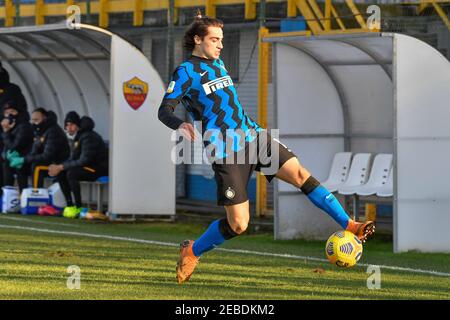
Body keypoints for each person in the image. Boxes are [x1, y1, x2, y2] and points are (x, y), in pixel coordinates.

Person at [158, 14, 376, 284]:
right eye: (214, 39)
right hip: (225, 150)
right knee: (239, 225)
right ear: (197, 39)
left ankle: (350, 224)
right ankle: (192, 251)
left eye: (222, 40)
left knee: (299, 174)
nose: (220, 45)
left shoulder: (218, 62)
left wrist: (203, 20)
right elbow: (164, 110)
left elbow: (219, 82)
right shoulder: (185, 72)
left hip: (254, 137)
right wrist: (180, 125)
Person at [48, 111, 108, 218]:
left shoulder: (88, 137)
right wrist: (58, 168)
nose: (69, 128)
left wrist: (61, 166)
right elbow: (73, 159)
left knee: (72, 173)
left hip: (97, 168)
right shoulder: (79, 137)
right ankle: (70, 206)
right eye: (67, 125)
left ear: (78, 125)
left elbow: (85, 160)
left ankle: (78, 207)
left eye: (72, 125)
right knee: (61, 173)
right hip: (88, 167)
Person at [8, 108, 70, 189]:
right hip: (47, 162)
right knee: (21, 166)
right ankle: (23, 195)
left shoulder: (54, 131)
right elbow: (34, 152)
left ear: (44, 119)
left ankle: (36, 194)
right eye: (32, 120)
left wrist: (24, 159)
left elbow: (47, 156)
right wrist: (22, 159)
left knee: (37, 166)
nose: (34, 123)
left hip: (57, 163)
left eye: (36, 120)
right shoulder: (40, 131)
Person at [1, 101, 33, 193]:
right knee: (5, 162)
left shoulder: (24, 126)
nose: (9, 115)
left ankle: (22, 195)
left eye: (12, 112)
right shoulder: (7, 126)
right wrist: (5, 155)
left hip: (25, 160)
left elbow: (14, 146)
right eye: (6, 113)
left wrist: (6, 132)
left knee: (17, 165)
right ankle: (7, 195)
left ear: (18, 113)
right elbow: (4, 148)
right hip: (12, 160)